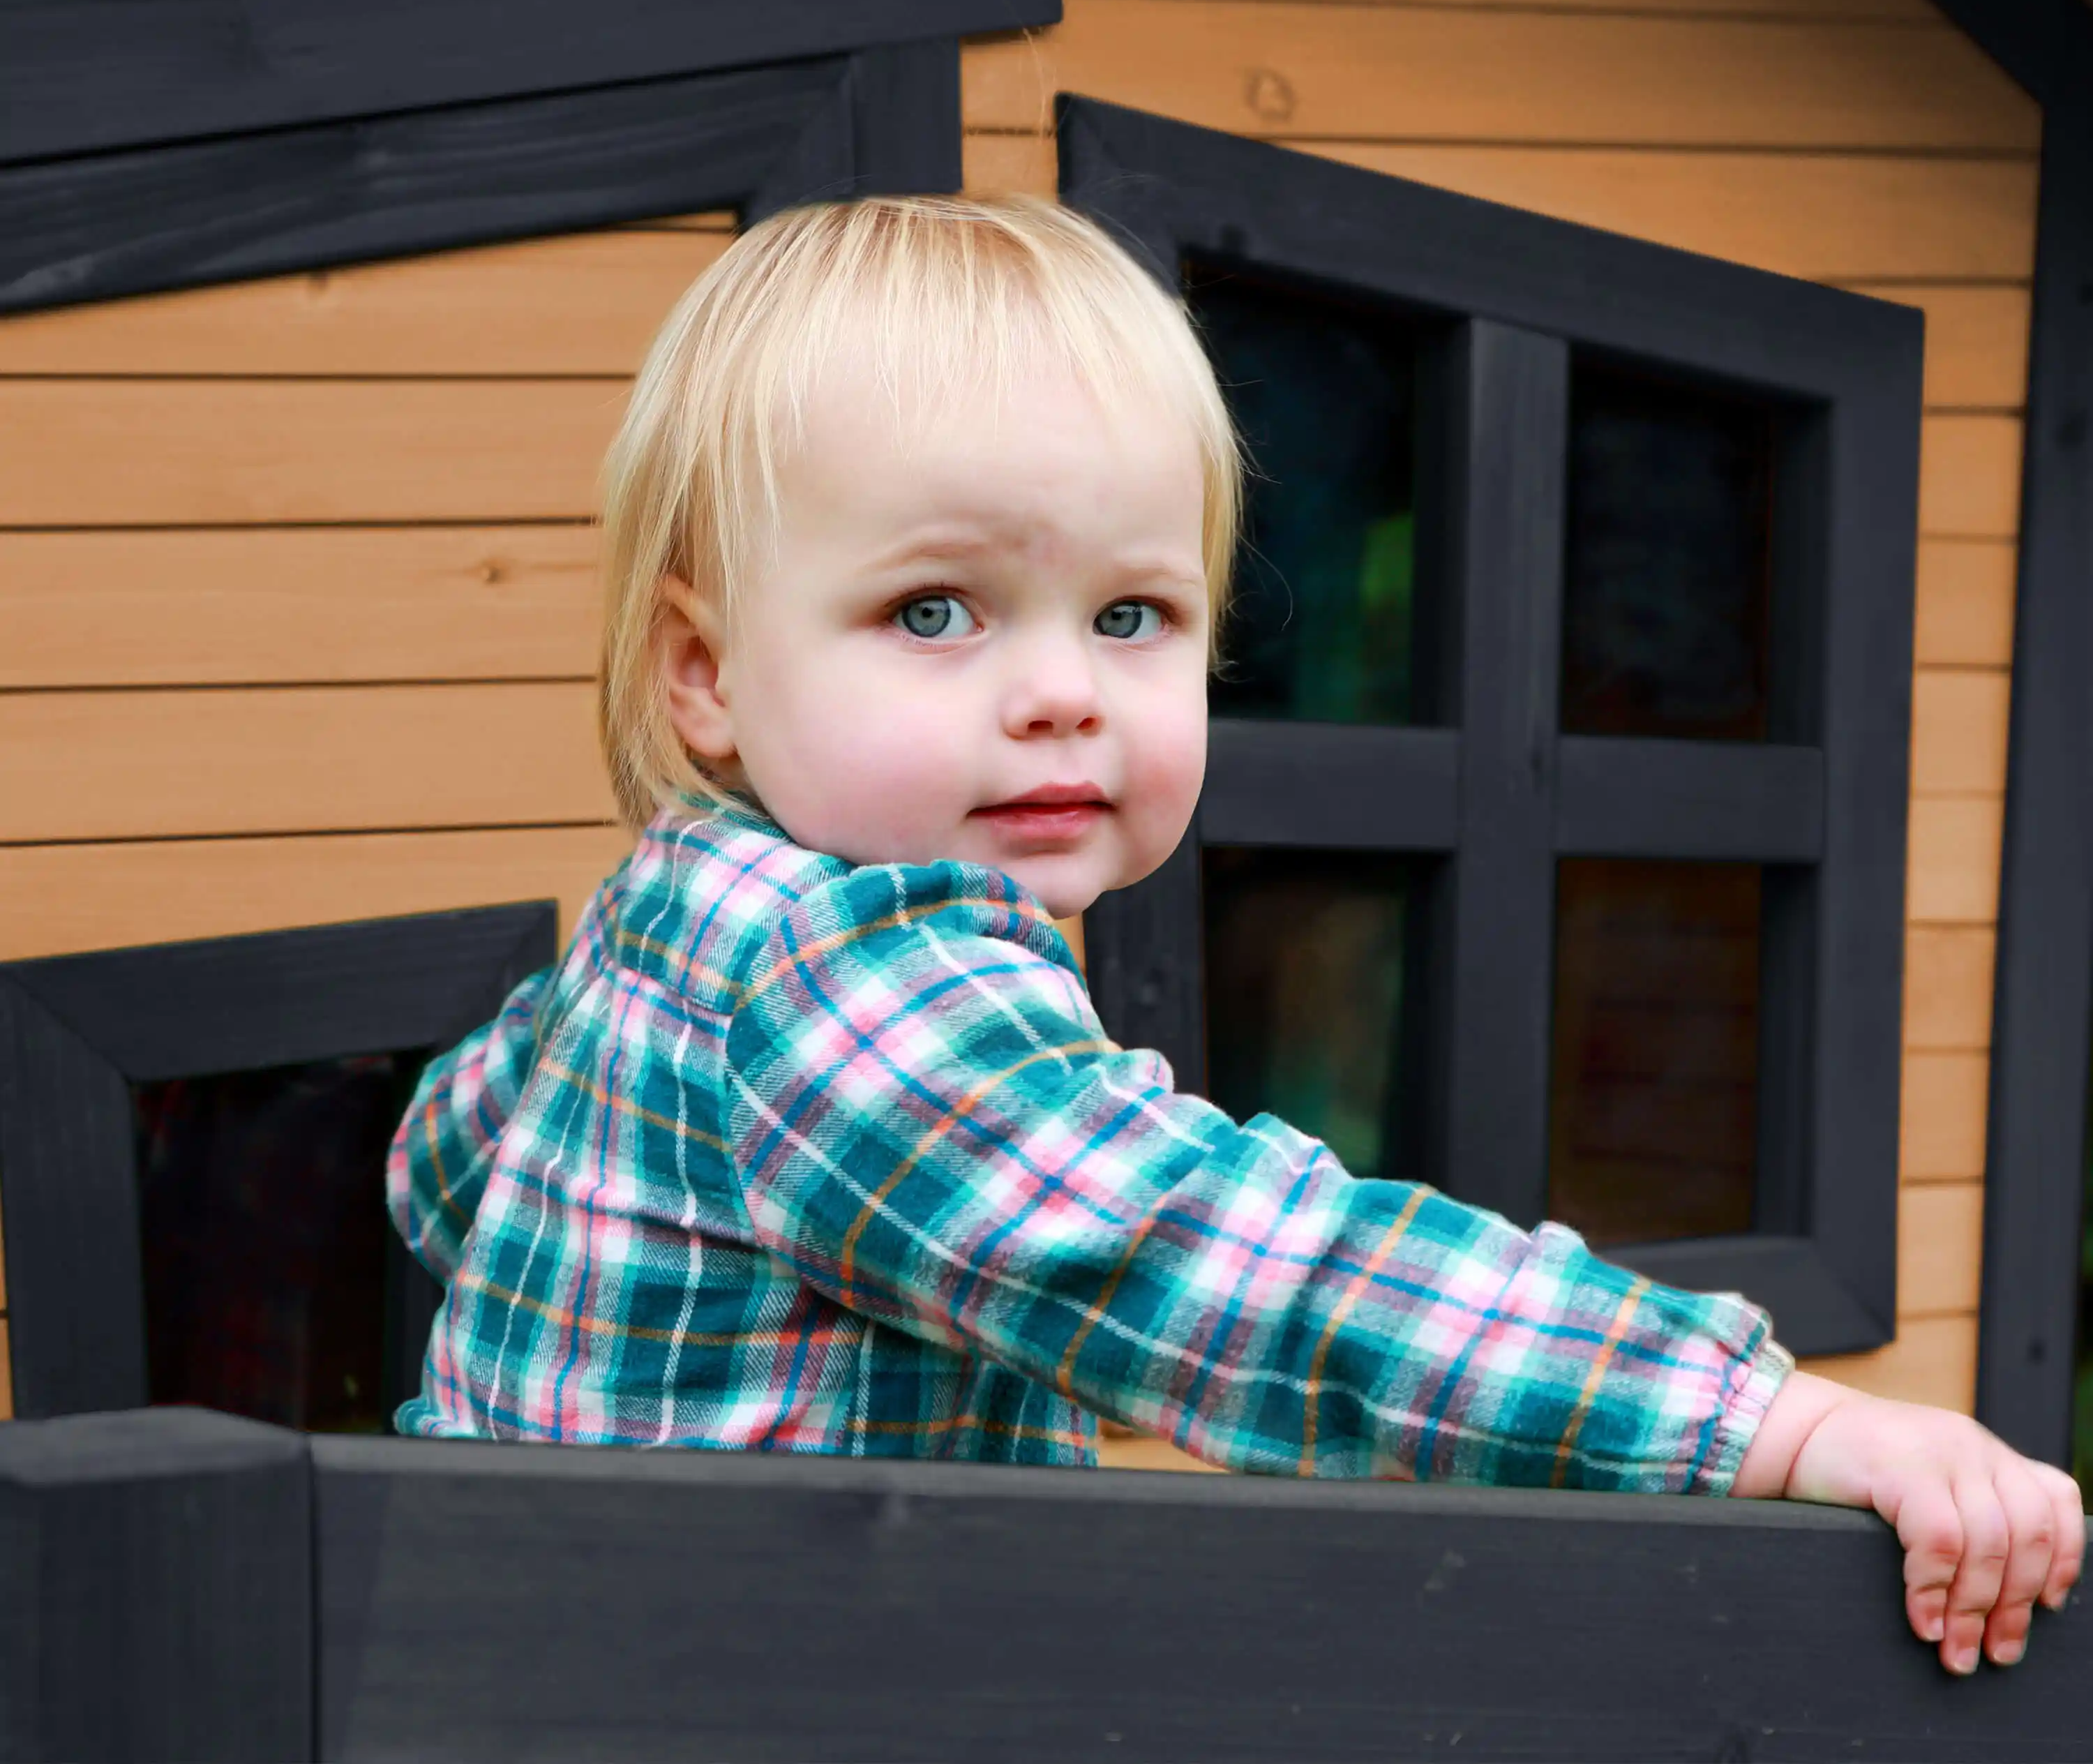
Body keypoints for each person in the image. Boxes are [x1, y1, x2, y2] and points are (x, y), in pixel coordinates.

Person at [389, 194, 2080, 1675]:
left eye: (1132, 614)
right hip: (687, 1697)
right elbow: (1245, 1273)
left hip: (524, 1651)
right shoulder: (847, 991)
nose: (1060, 693)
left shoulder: (674, 919)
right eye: (933, 611)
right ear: (704, 678)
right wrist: (1771, 1419)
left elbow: (441, 1164)